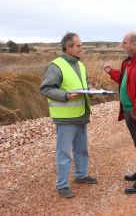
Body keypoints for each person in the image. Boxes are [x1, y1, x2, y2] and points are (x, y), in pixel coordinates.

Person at [40, 32, 97, 198]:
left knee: (81, 149)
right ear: (68, 47)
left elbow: (84, 85)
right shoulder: (56, 65)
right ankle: (62, 184)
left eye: (81, 45)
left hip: (81, 114)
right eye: (79, 46)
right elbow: (46, 89)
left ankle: (81, 175)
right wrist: (65, 95)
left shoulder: (80, 65)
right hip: (66, 118)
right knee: (64, 153)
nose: (82, 48)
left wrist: (90, 90)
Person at [103, 32, 136, 194]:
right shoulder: (132, 60)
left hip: (135, 112)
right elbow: (126, 79)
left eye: (124, 42)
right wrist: (110, 71)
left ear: (134, 44)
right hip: (129, 110)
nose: (122, 45)